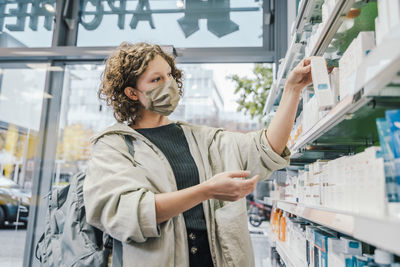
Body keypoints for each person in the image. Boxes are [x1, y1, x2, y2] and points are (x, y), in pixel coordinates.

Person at [83, 42, 314, 267]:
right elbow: (127, 213)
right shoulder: (115, 146)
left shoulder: (200, 138)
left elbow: (267, 148)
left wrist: (292, 90)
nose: (169, 84)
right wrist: (207, 191)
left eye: (170, 75)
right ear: (132, 93)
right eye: (156, 79)